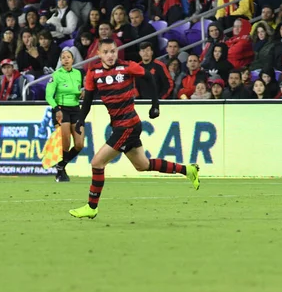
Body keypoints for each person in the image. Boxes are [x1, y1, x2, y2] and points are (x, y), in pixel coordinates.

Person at [68, 39, 200, 219]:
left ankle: (92, 207)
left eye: (113, 51)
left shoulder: (127, 67)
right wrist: (81, 119)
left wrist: (155, 104)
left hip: (128, 125)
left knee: (97, 163)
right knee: (142, 165)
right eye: (106, 52)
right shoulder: (93, 72)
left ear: (117, 52)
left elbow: (149, 77)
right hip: (121, 126)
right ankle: (188, 170)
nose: (110, 55)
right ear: (98, 54)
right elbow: (89, 99)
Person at [45, 48, 85, 182]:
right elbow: (48, 95)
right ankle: (61, 172)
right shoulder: (56, 75)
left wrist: (82, 94)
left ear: (73, 60)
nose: (66, 59)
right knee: (66, 143)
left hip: (75, 108)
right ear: (61, 61)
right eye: (63, 57)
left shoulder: (78, 74)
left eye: (68, 57)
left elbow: (79, 90)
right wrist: (56, 109)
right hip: (62, 109)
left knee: (79, 144)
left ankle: (61, 165)